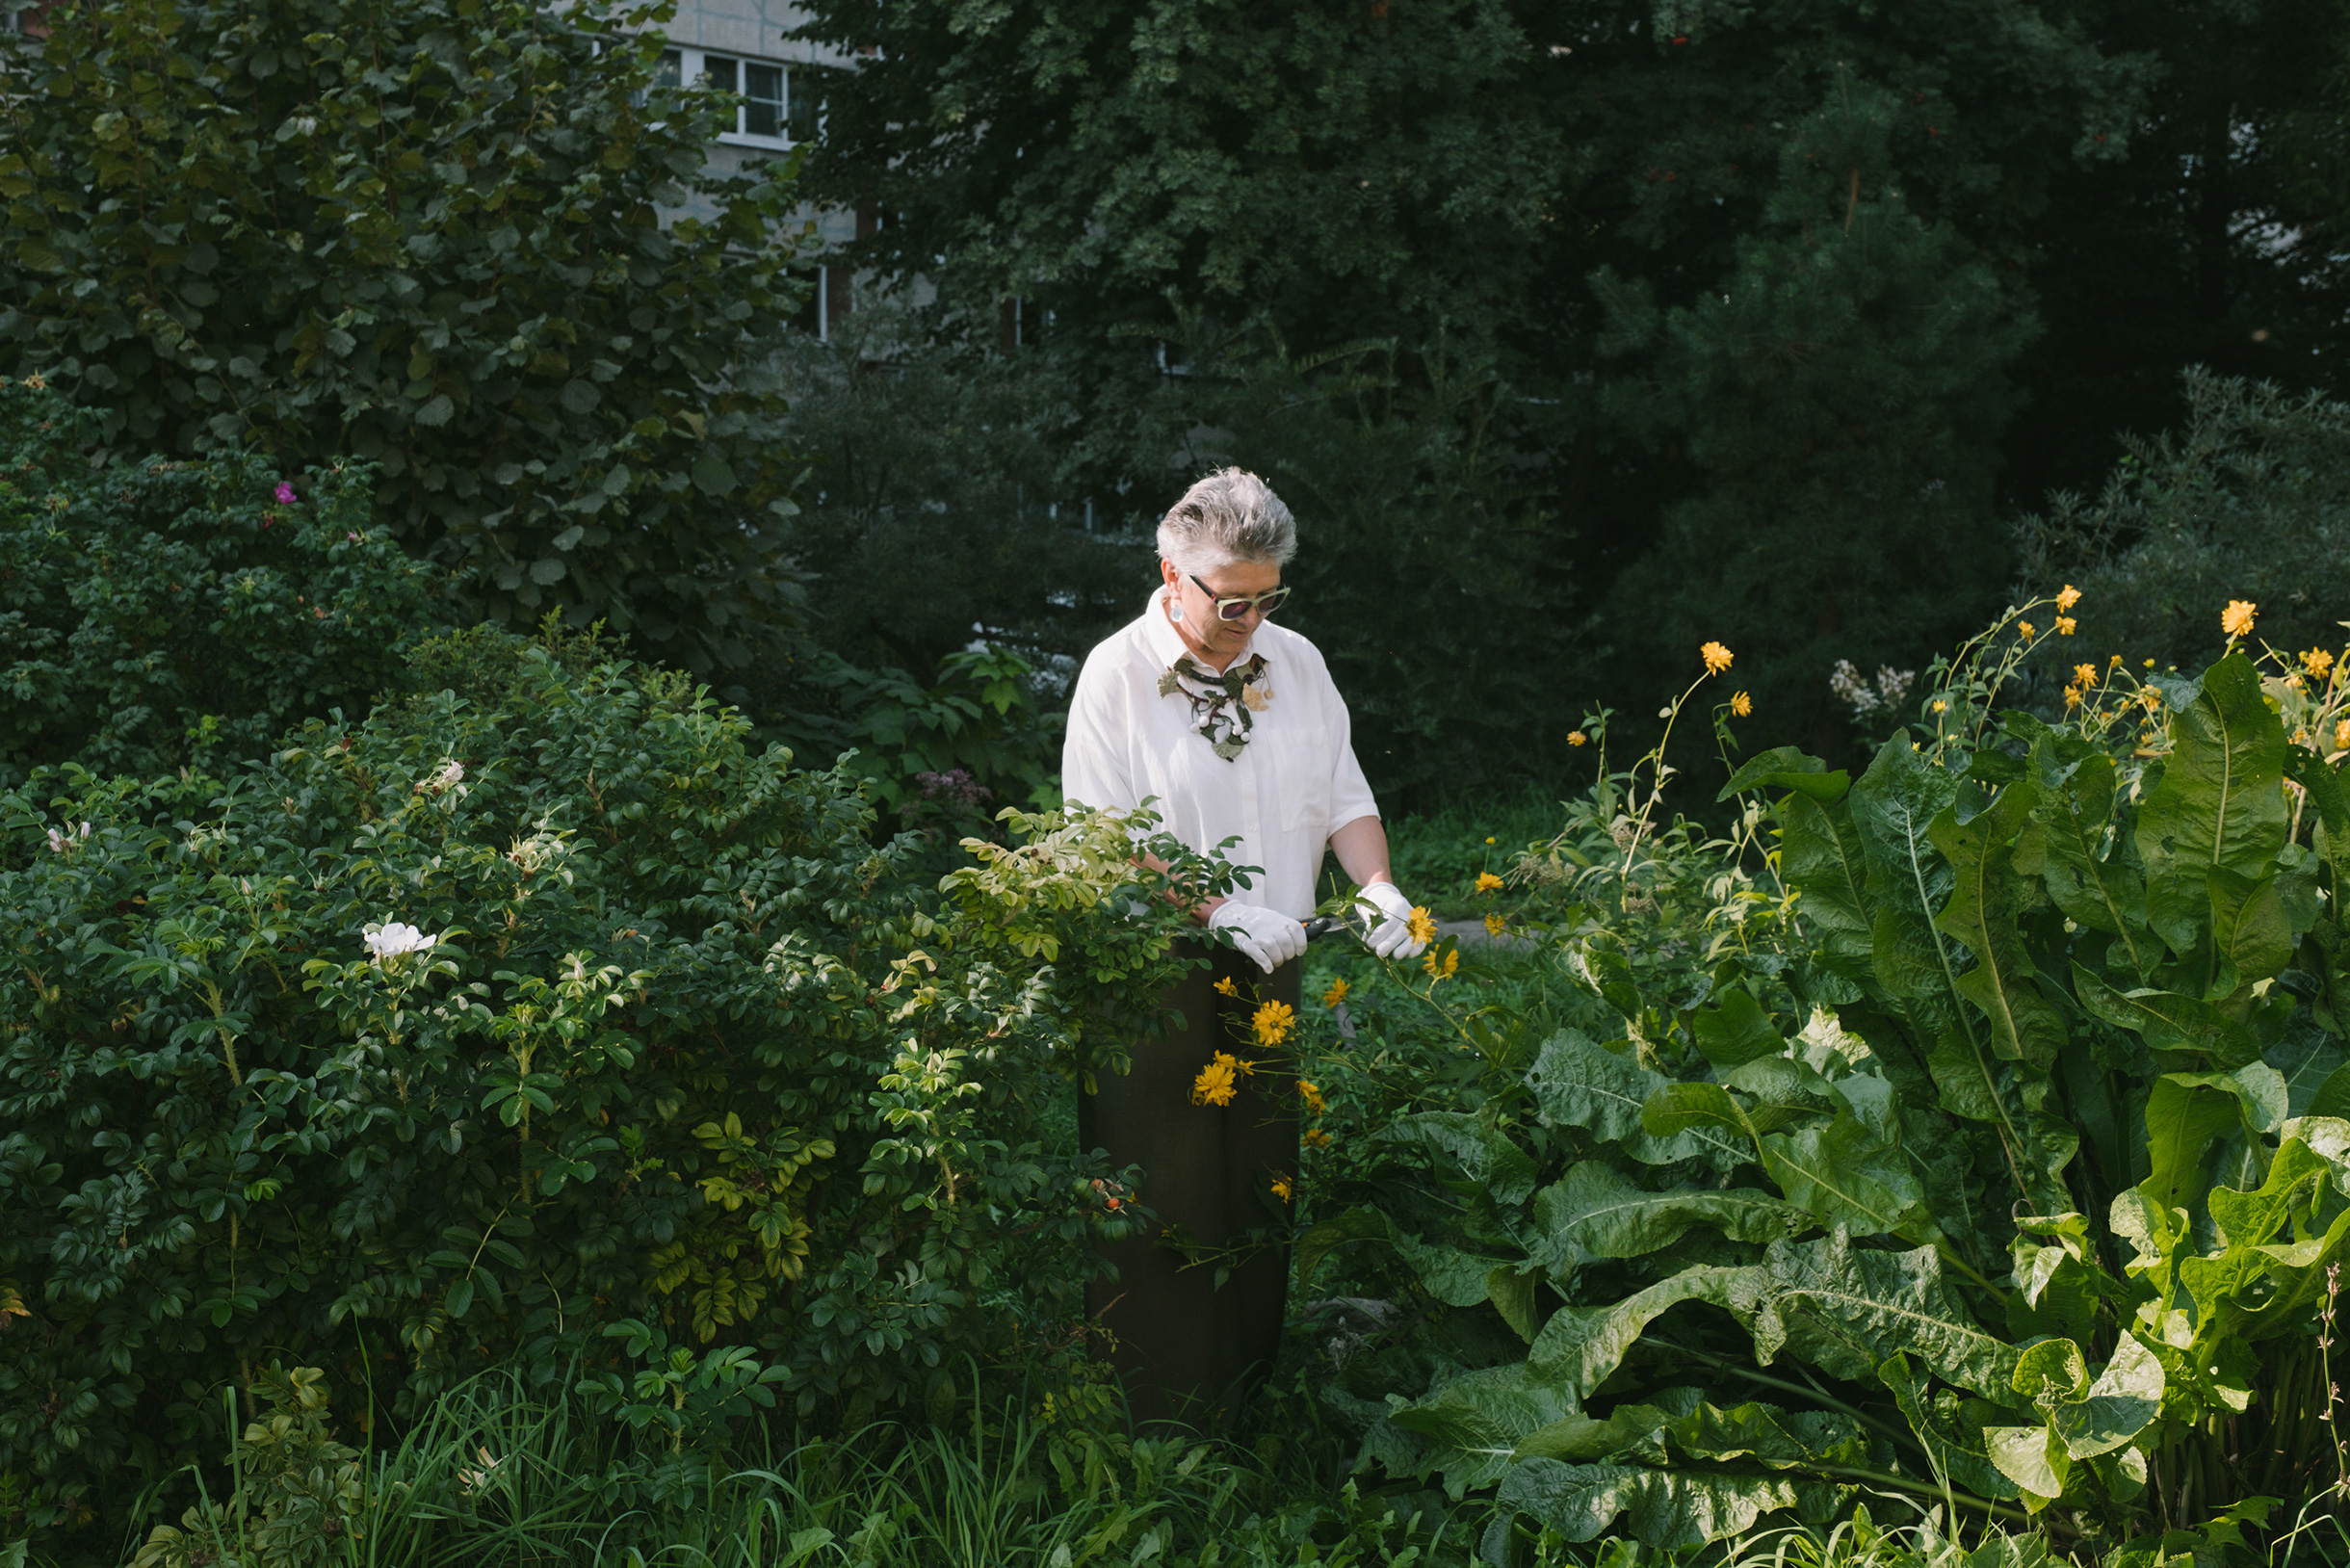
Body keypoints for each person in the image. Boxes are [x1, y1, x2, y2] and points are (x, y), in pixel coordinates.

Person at [1060, 466, 1428, 1429]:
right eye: (1231, 599)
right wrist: (1214, 906)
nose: (1250, 618)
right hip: (1150, 970)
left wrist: (1377, 882)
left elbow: (1344, 793)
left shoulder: (1296, 662)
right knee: (1163, 1182)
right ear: (1170, 572)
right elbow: (1104, 834)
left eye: (1267, 597)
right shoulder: (1114, 675)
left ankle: (1247, 1403)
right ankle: (1154, 1417)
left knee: (1257, 1176)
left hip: (1273, 962)